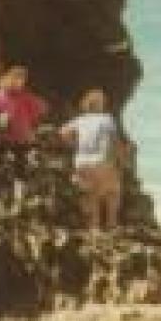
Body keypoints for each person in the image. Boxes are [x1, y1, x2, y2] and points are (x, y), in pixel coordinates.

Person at [60, 88, 127, 231]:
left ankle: (94, 227)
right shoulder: (106, 119)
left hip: (81, 161)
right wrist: (121, 160)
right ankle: (111, 223)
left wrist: (74, 144)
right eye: (102, 101)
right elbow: (114, 141)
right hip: (101, 161)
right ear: (99, 104)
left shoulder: (79, 120)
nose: (104, 103)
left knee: (91, 194)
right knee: (114, 191)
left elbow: (62, 132)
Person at [0, 65, 48, 146]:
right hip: (2, 138)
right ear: (8, 78)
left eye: (22, 80)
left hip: (23, 137)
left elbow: (42, 108)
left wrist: (33, 124)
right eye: (16, 79)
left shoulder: (26, 97)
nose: (19, 83)